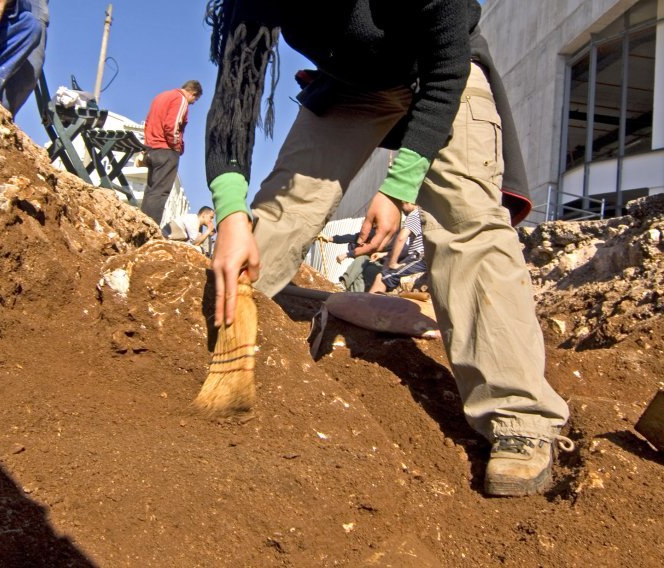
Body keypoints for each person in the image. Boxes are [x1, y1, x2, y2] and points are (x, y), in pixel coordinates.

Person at [203, 0, 572, 496]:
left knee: (466, 223)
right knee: (277, 220)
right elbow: (236, 93)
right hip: (353, 85)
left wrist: (399, 187)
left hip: (442, 78)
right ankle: (227, 338)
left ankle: (518, 417)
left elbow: (446, 72)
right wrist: (230, 213)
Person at [140, 80, 203, 226]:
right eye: (195, 99)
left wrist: (148, 144)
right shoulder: (180, 99)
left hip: (152, 148)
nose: (193, 103)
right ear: (193, 93)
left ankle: (142, 223)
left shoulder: (160, 97)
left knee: (151, 190)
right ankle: (151, 227)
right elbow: (172, 125)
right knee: (160, 192)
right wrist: (177, 146)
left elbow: (148, 121)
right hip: (166, 150)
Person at [368, 200, 427, 295]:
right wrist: (384, 254)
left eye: (401, 204)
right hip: (419, 257)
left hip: (420, 259)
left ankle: (367, 306)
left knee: (382, 277)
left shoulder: (415, 214)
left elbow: (401, 238)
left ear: (408, 202)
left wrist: (392, 263)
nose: (401, 209)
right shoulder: (425, 214)